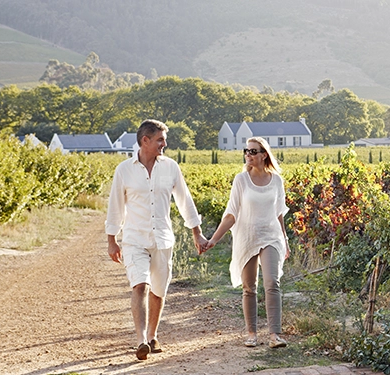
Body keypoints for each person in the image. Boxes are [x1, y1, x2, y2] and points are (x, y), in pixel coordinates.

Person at [105, 119, 208, 361]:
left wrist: (197, 233)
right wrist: (112, 239)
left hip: (163, 238)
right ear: (145, 141)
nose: (165, 144)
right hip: (134, 239)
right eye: (160, 139)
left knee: (158, 291)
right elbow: (115, 206)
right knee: (140, 285)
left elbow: (185, 200)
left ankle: (152, 336)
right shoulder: (124, 170)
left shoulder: (171, 167)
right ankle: (140, 340)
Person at [202, 136, 290, 349]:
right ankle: (251, 334)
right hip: (247, 237)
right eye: (246, 151)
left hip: (271, 236)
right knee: (249, 288)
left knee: (272, 283)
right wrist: (214, 239)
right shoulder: (241, 180)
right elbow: (231, 214)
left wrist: (285, 240)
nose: (248, 155)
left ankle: (274, 335)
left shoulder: (276, 180)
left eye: (253, 151)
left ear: (264, 155)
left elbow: (279, 214)